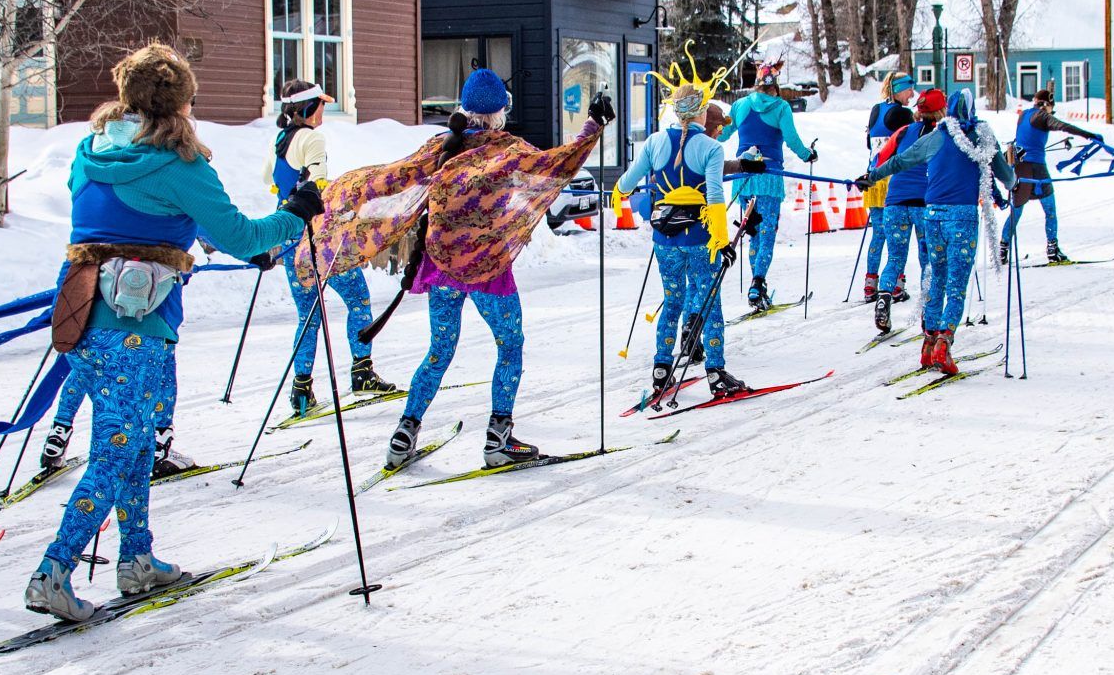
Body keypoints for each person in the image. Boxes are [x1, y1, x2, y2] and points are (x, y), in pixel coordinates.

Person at [25, 45, 317, 623]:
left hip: (81, 311)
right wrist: (296, 212)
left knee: (131, 441)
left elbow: (136, 220)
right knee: (115, 448)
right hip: (135, 324)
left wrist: (196, 237)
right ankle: (52, 572)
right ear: (183, 102)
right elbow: (240, 234)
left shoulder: (91, 150)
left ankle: (137, 558)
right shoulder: (180, 163)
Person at [300, 67, 608, 474]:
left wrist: (333, 198)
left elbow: (388, 178)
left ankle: (404, 434)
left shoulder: (440, 145)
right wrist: (594, 123)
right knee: (510, 346)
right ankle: (498, 439)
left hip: (442, 266)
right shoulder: (507, 149)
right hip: (487, 269)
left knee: (440, 350)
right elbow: (558, 163)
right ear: (500, 112)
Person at [857, 88, 1014, 377]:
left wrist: (872, 176)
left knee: (934, 278)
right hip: (962, 217)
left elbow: (901, 160)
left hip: (933, 215)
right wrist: (1013, 175)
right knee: (956, 282)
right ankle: (944, 342)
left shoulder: (938, 135)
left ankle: (928, 346)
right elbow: (1007, 176)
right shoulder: (982, 136)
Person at [271, 79, 395, 419]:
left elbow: (272, 180)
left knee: (307, 315)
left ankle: (301, 391)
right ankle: (362, 372)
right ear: (309, 108)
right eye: (321, 104)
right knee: (358, 299)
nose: (325, 109)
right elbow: (319, 184)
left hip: (287, 232)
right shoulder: (312, 138)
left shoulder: (282, 138)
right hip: (316, 238)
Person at [621, 83, 749, 404]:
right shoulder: (710, 147)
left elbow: (624, 185)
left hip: (664, 236)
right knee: (709, 302)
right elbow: (717, 197)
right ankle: (717, 374)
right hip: (700, 236)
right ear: (701, 112)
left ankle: (662, 369)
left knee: (672, 300)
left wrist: (635, 188)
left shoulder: (653, 142)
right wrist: (722, 241)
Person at [722, 62, 818, 313]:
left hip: (743, 176)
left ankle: (756, 286)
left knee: (752, 231)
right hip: (769, 176)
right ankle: (758, 282)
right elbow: (792, 139)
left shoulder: (740, 105)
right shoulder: (781, 107)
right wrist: (808, 155)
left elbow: (722, 134)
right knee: (767, 234)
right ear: (775, 86)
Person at [868, 87, 942, 332]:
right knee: (928, 260)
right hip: (924, 203)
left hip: (895, 202)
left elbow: (882, 158)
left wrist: (869, 176)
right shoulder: (942, 136)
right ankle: (926, 312)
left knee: (895, 257)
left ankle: (884, 296)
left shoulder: (903, 132)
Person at [1005, 86, 1101, 262]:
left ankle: (1002, 249)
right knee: (1050, 210)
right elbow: (1064, 126)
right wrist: (1090, 135)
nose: (1051, 111)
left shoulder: (1023, 115)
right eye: (1051, 108)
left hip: (1020, 168)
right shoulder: (1042, 116)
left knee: (1016, 209)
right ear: (1047, 105)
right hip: (1038, 169)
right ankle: (1052, 249)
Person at [863, 76, 918, 303]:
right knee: (898, 236)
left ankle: (870, 283)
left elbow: (869, 143)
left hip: (873, 178)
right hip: (893, 179)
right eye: (909, 91)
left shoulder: (876, 109)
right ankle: (896, 284)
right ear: (900, 90)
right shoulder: (902, 114)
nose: (912, 96)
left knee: (878, 233)